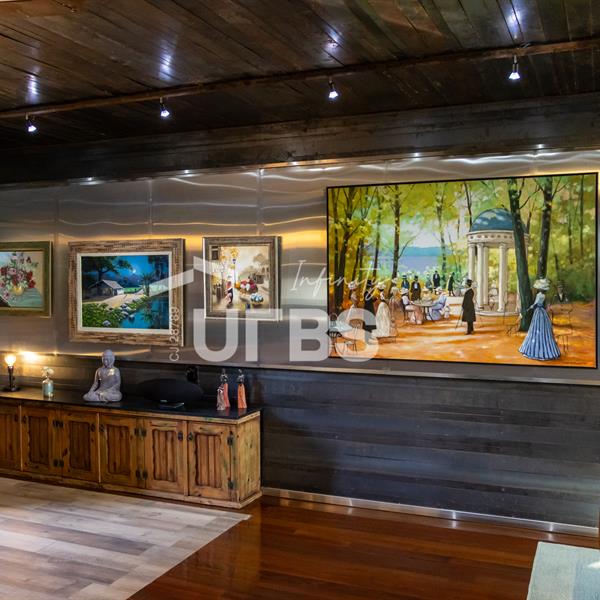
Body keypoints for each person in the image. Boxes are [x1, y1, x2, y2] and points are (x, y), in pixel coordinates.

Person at [519, 279, 561, 361]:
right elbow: (542, 304)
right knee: (542, 328)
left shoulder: (539, 295)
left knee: (536, 327)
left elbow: (535, 303)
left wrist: (531, 307)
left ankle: (536, 350)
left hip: (538, 311)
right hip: (542, 311)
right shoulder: (544, 296)